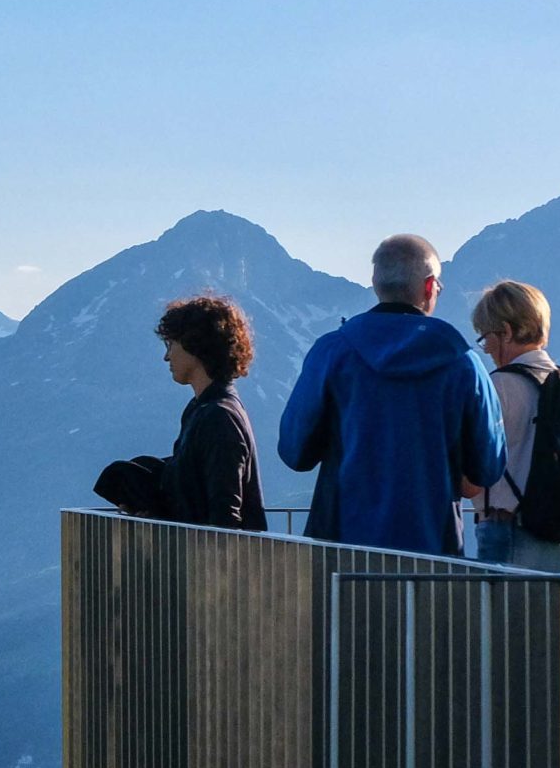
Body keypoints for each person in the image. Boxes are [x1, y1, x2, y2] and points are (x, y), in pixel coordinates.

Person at [278, 233, 505, 555]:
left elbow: (293, 451)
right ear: (429, 287)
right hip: (433, 554)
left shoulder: (332, 352)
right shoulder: (463, 363)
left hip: (340, 551)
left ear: (375, 283)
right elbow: (489, 467)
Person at [467, 280, 560, 572]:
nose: (486, 347)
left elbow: (473, 470)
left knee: (503, 616)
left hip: (507, 528)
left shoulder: (498, 386)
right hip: (558, 533)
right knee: (546, 615)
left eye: (486, 336)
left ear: (507, 331)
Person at [149, 293, 268, 530]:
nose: (166, 356)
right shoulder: (204, 409)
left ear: (195, 344)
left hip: (217, 562)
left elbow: (225, 514)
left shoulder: (218, 417)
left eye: (171, 344)